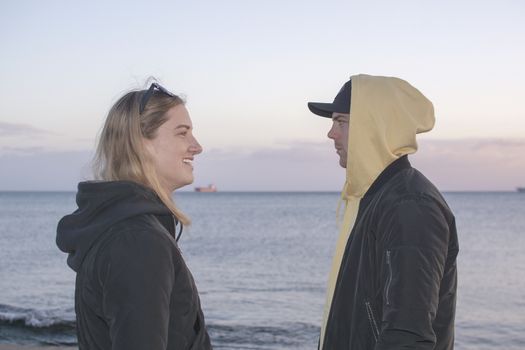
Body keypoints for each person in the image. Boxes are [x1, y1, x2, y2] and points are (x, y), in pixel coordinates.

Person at [56, 82, 212, 349]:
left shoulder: (124, 229)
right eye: (182, 133)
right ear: (142, 144)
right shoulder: (138, 241)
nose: (196, 146)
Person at [307, 74, 458, 349]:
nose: (331, 133)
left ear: (375, 127)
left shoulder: (410, 205)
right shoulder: (371, 197)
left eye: (341, 121)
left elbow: (408, 334)